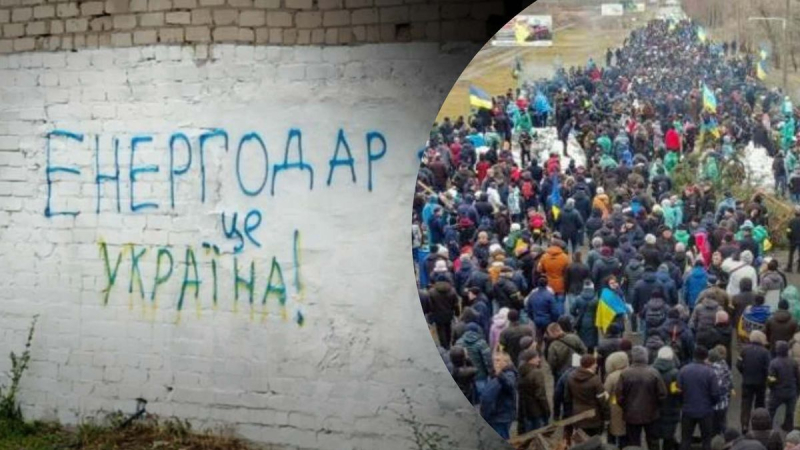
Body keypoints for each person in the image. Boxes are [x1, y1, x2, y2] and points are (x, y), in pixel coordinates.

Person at [616, 346, 667, 449]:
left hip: (631, 414)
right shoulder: (654, 372)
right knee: (653, 441)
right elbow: (662, 394)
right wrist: (656, 407)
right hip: (651, 414)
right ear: (646, 357)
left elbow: (619, 396)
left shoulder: (625, 373)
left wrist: (625, 407)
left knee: (633, 442)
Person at [678, 346, 720, 450]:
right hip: (706, 411)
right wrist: (712, 404)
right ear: (706, 357)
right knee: (706, 441)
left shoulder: (684, 370)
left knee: (685, 440)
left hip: (688, 410)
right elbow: (715, 393)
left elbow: (678, 389)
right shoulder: (710, 372)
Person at [739, 330, 772, 433]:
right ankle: (758, 425)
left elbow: (738, 364)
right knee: (760, 404)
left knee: (746, 404)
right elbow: (768, 368)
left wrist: (744, 372)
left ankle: (744, 425)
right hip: (760, 383)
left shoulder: (744, 350)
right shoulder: (765, 352)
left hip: (747, 381)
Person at [479, 352, 518, 440]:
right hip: (493, 415)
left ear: (506, 362)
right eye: (495, 360)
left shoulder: (509, 374)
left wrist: (500, 374)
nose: (496, 363)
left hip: (501, 416)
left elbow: (509, 385)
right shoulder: (493, 375)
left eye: (498, 360)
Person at [567, 354, 608, 436]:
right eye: (595, 363)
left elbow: (567, 397)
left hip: (578, 416)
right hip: (593, 418)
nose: (596, 365)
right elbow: (602, 401)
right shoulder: (595, 380)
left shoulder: (570, 377)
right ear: (590, 365)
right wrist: (607, 417)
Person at [653, 346, 681, 450]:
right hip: (671, 409)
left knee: (653, 438)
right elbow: (678, 392)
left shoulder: (652, 371)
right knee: (668, 438)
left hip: (654, 410)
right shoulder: (675, 373)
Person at [768, 341, 800, 432]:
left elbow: (771, 378)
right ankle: (788, 428)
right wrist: (797, 390)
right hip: (791, 392)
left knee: (771, 410)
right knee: (790, 412)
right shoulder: (793, 362)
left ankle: (768, 427)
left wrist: (771, 387)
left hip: (777, 392)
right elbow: (797, 377)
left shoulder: (774, 363)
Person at [516, 349, 550, 434]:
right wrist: (546, 409)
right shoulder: (536, 373)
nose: (539, 359)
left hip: (526, 409)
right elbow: (540, 395)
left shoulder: (521, 371)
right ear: (531, 359)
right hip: (537, 410)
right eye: (537, 357)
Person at [455, 323, 492, 400]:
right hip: (481, 376)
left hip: (465, 378)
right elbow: (488, 360)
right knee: (483, 399)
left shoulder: (459, 343)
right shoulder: (482, 343)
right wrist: (490, 372)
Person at [426, 271, 459, 349]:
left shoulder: (432, 292)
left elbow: (430, 305)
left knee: (440, 330)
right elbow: (455, 304)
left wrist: (431, 314)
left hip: (437, 314)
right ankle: (448, 343)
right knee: (448, 328)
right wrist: (457, 313)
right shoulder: (452, 291)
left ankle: (444, 346)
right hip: (449, 314)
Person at [604, 350, 629, 448]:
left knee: (613, 432)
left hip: (615, 408)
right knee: (626, 434)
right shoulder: (630, 372)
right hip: (630, 407)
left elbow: (605, 393)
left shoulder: (612, 377)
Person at [710, 346, 734, 436]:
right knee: (722, 424)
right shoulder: (724, 365)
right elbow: (730, 382)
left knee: (713, 427)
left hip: (715, 405)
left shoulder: (713, 370)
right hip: (724, 403)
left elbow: (716, 389)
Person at [788, 206, 800, 273]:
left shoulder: (791, 221)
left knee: (791, 254)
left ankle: (789, 267)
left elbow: (788, 230)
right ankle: (799, 269)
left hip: (793, 240)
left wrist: (789, 237)